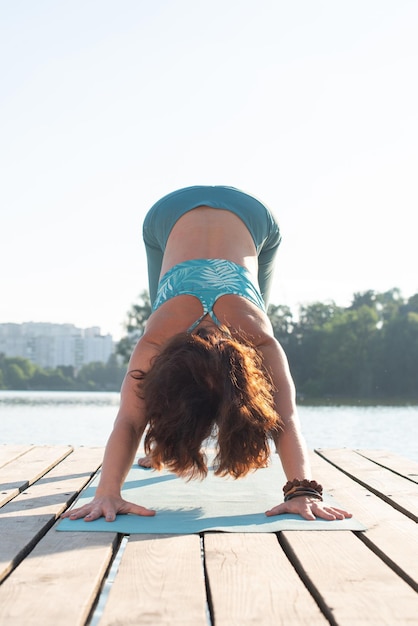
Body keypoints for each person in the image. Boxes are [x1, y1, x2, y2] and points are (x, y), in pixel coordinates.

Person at [62, 185, 351, 523]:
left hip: (200, 214)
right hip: (213, 214)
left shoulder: (240, 339)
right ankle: (160, 449)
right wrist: (106, 493)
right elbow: (286, 419)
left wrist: (107, 493)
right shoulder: (248, 337)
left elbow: (130, 418)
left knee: (196, 395)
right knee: (186, 393)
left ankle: (162, 446)